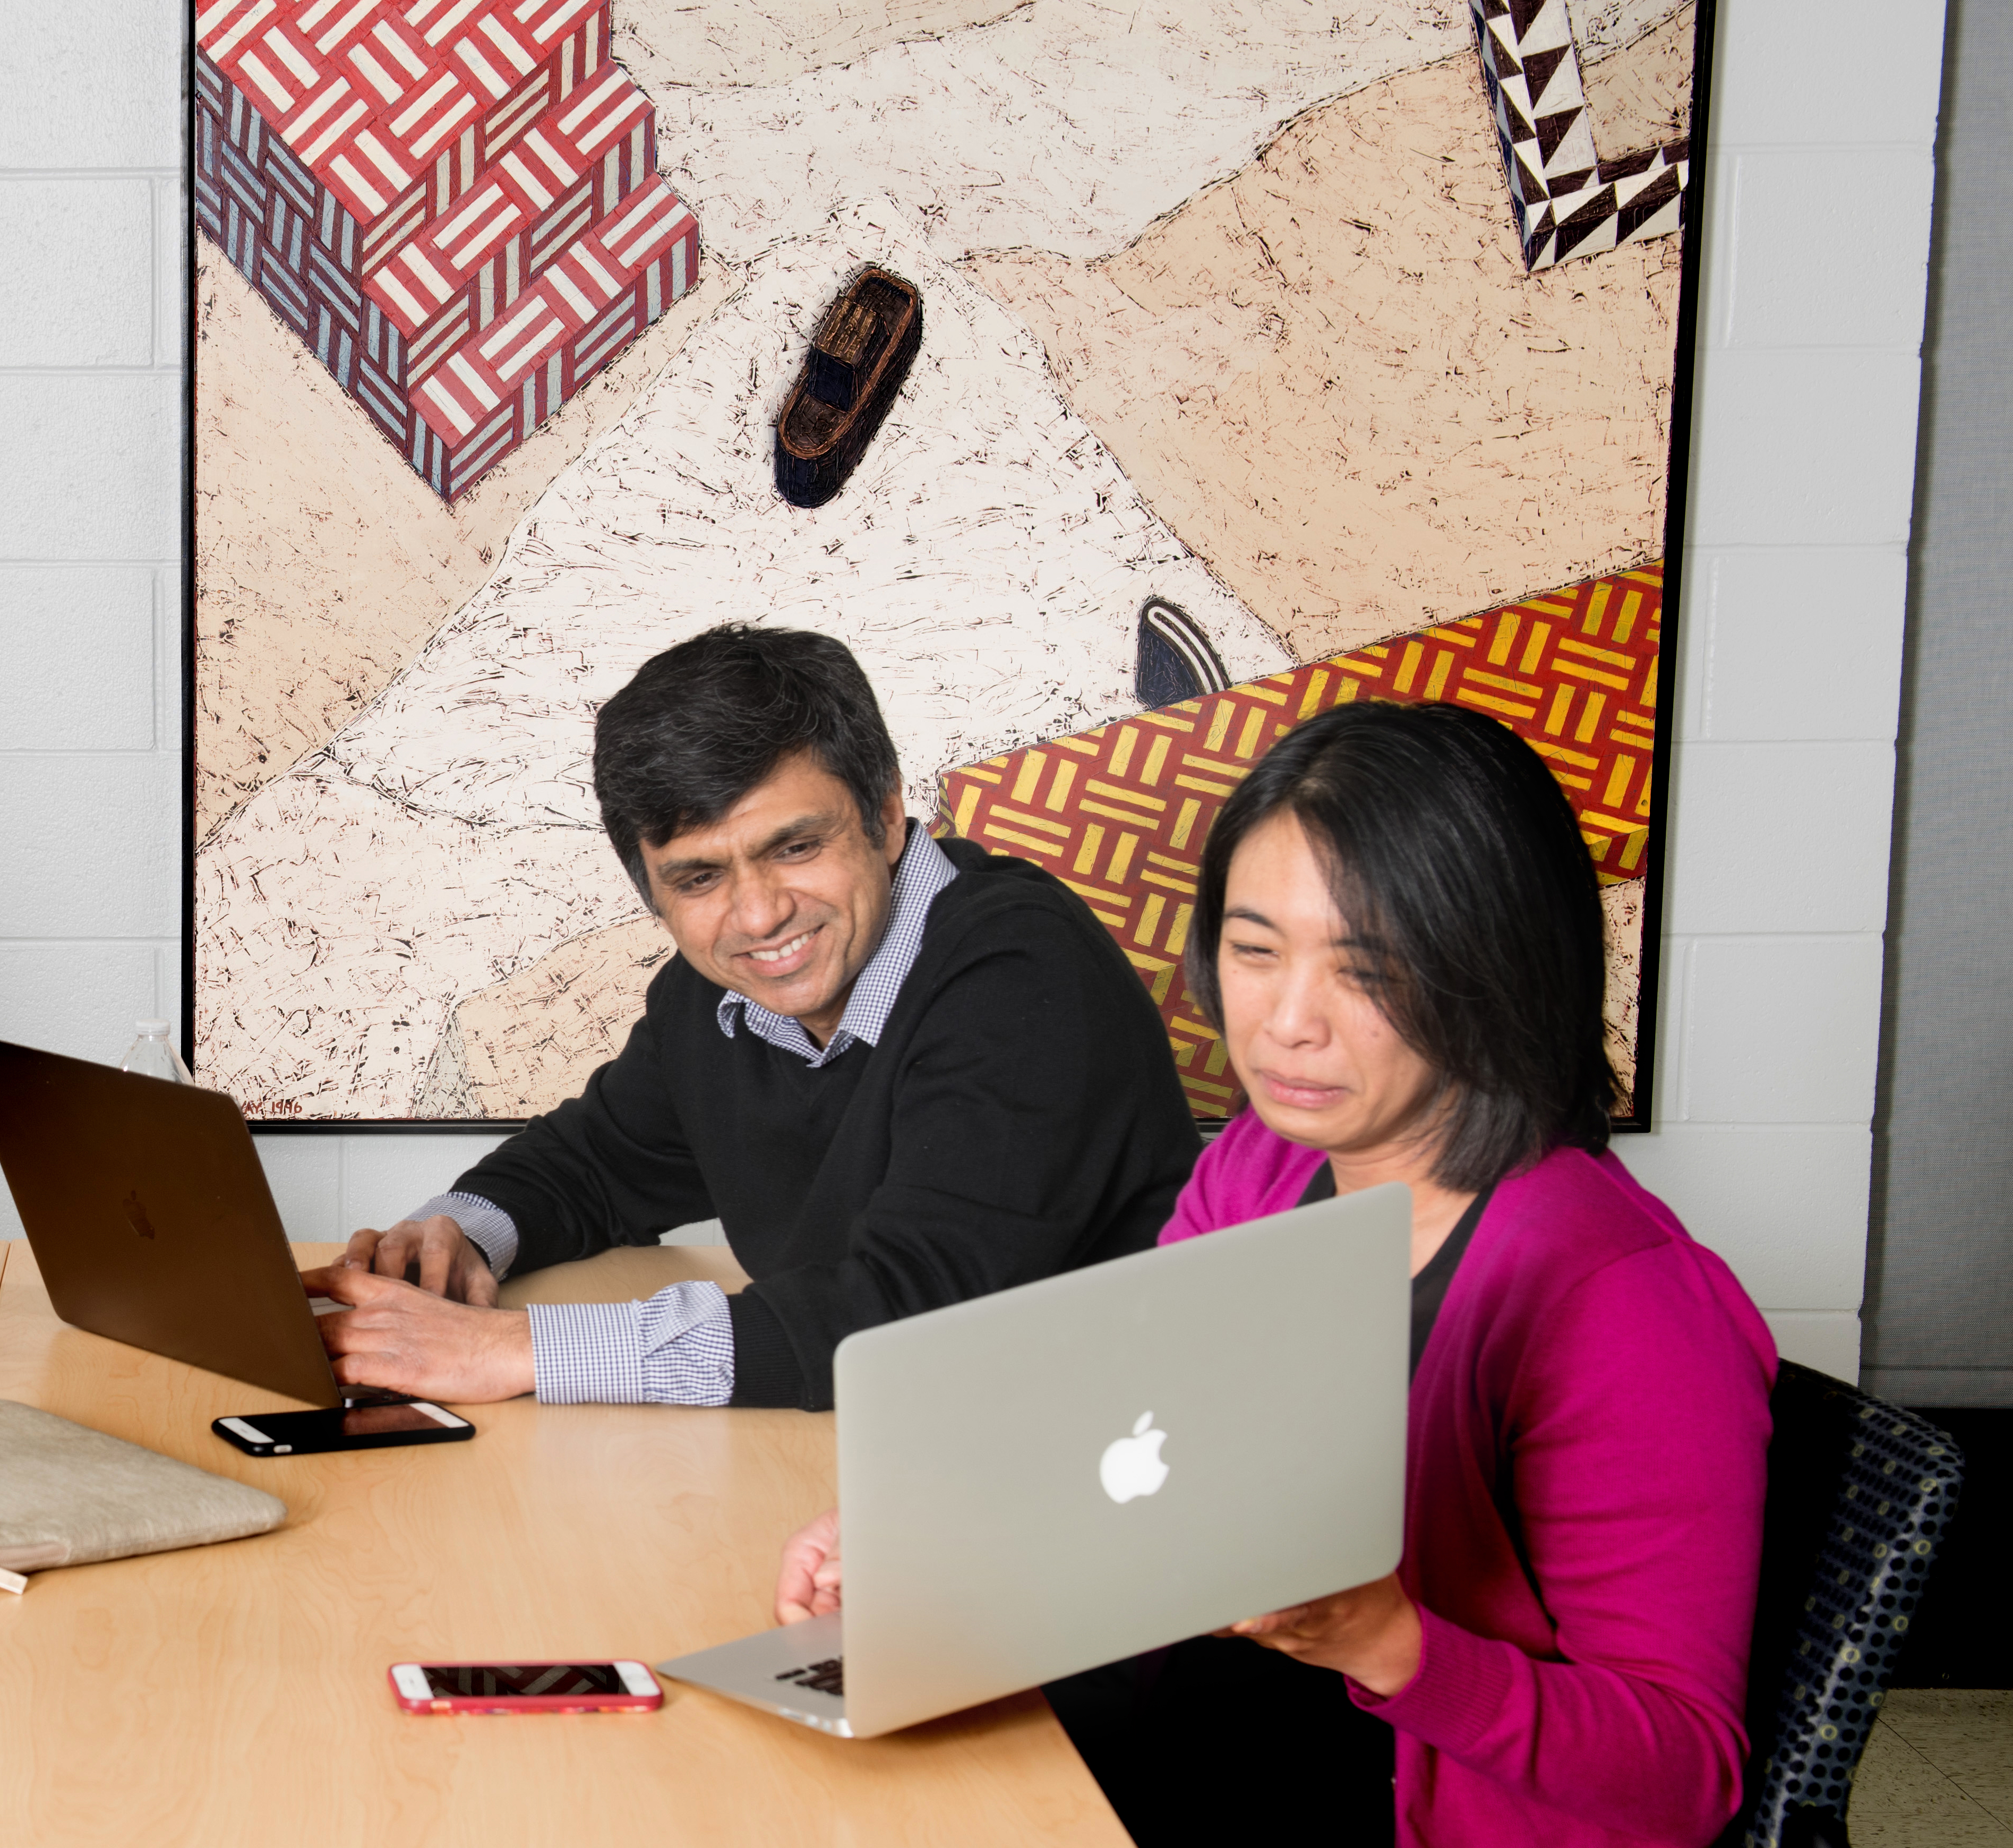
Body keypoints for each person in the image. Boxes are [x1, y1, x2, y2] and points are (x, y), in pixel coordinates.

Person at [768, 700, 1773, 1848]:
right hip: (1191, 1725)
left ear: (1499, 966)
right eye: (1254, 950)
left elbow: (1685, 1780)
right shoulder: (1265, 1160)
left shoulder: (1622, 1300)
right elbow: (1133, 1438)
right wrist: (930, 1530)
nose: (1287, 1024)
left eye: (1370, 970)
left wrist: (1389, 1644)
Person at [306, 623, 1199, 1408]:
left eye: (797, 847)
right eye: (699, 878)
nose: (760, 915)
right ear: (650, 890)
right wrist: (459, 1235)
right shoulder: (721, 997)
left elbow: (918, 1311)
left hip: (1108, 1450)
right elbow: (602, 1162)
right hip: (899, 1452)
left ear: (887, 817)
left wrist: (520, 1350)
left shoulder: (1020, 973)